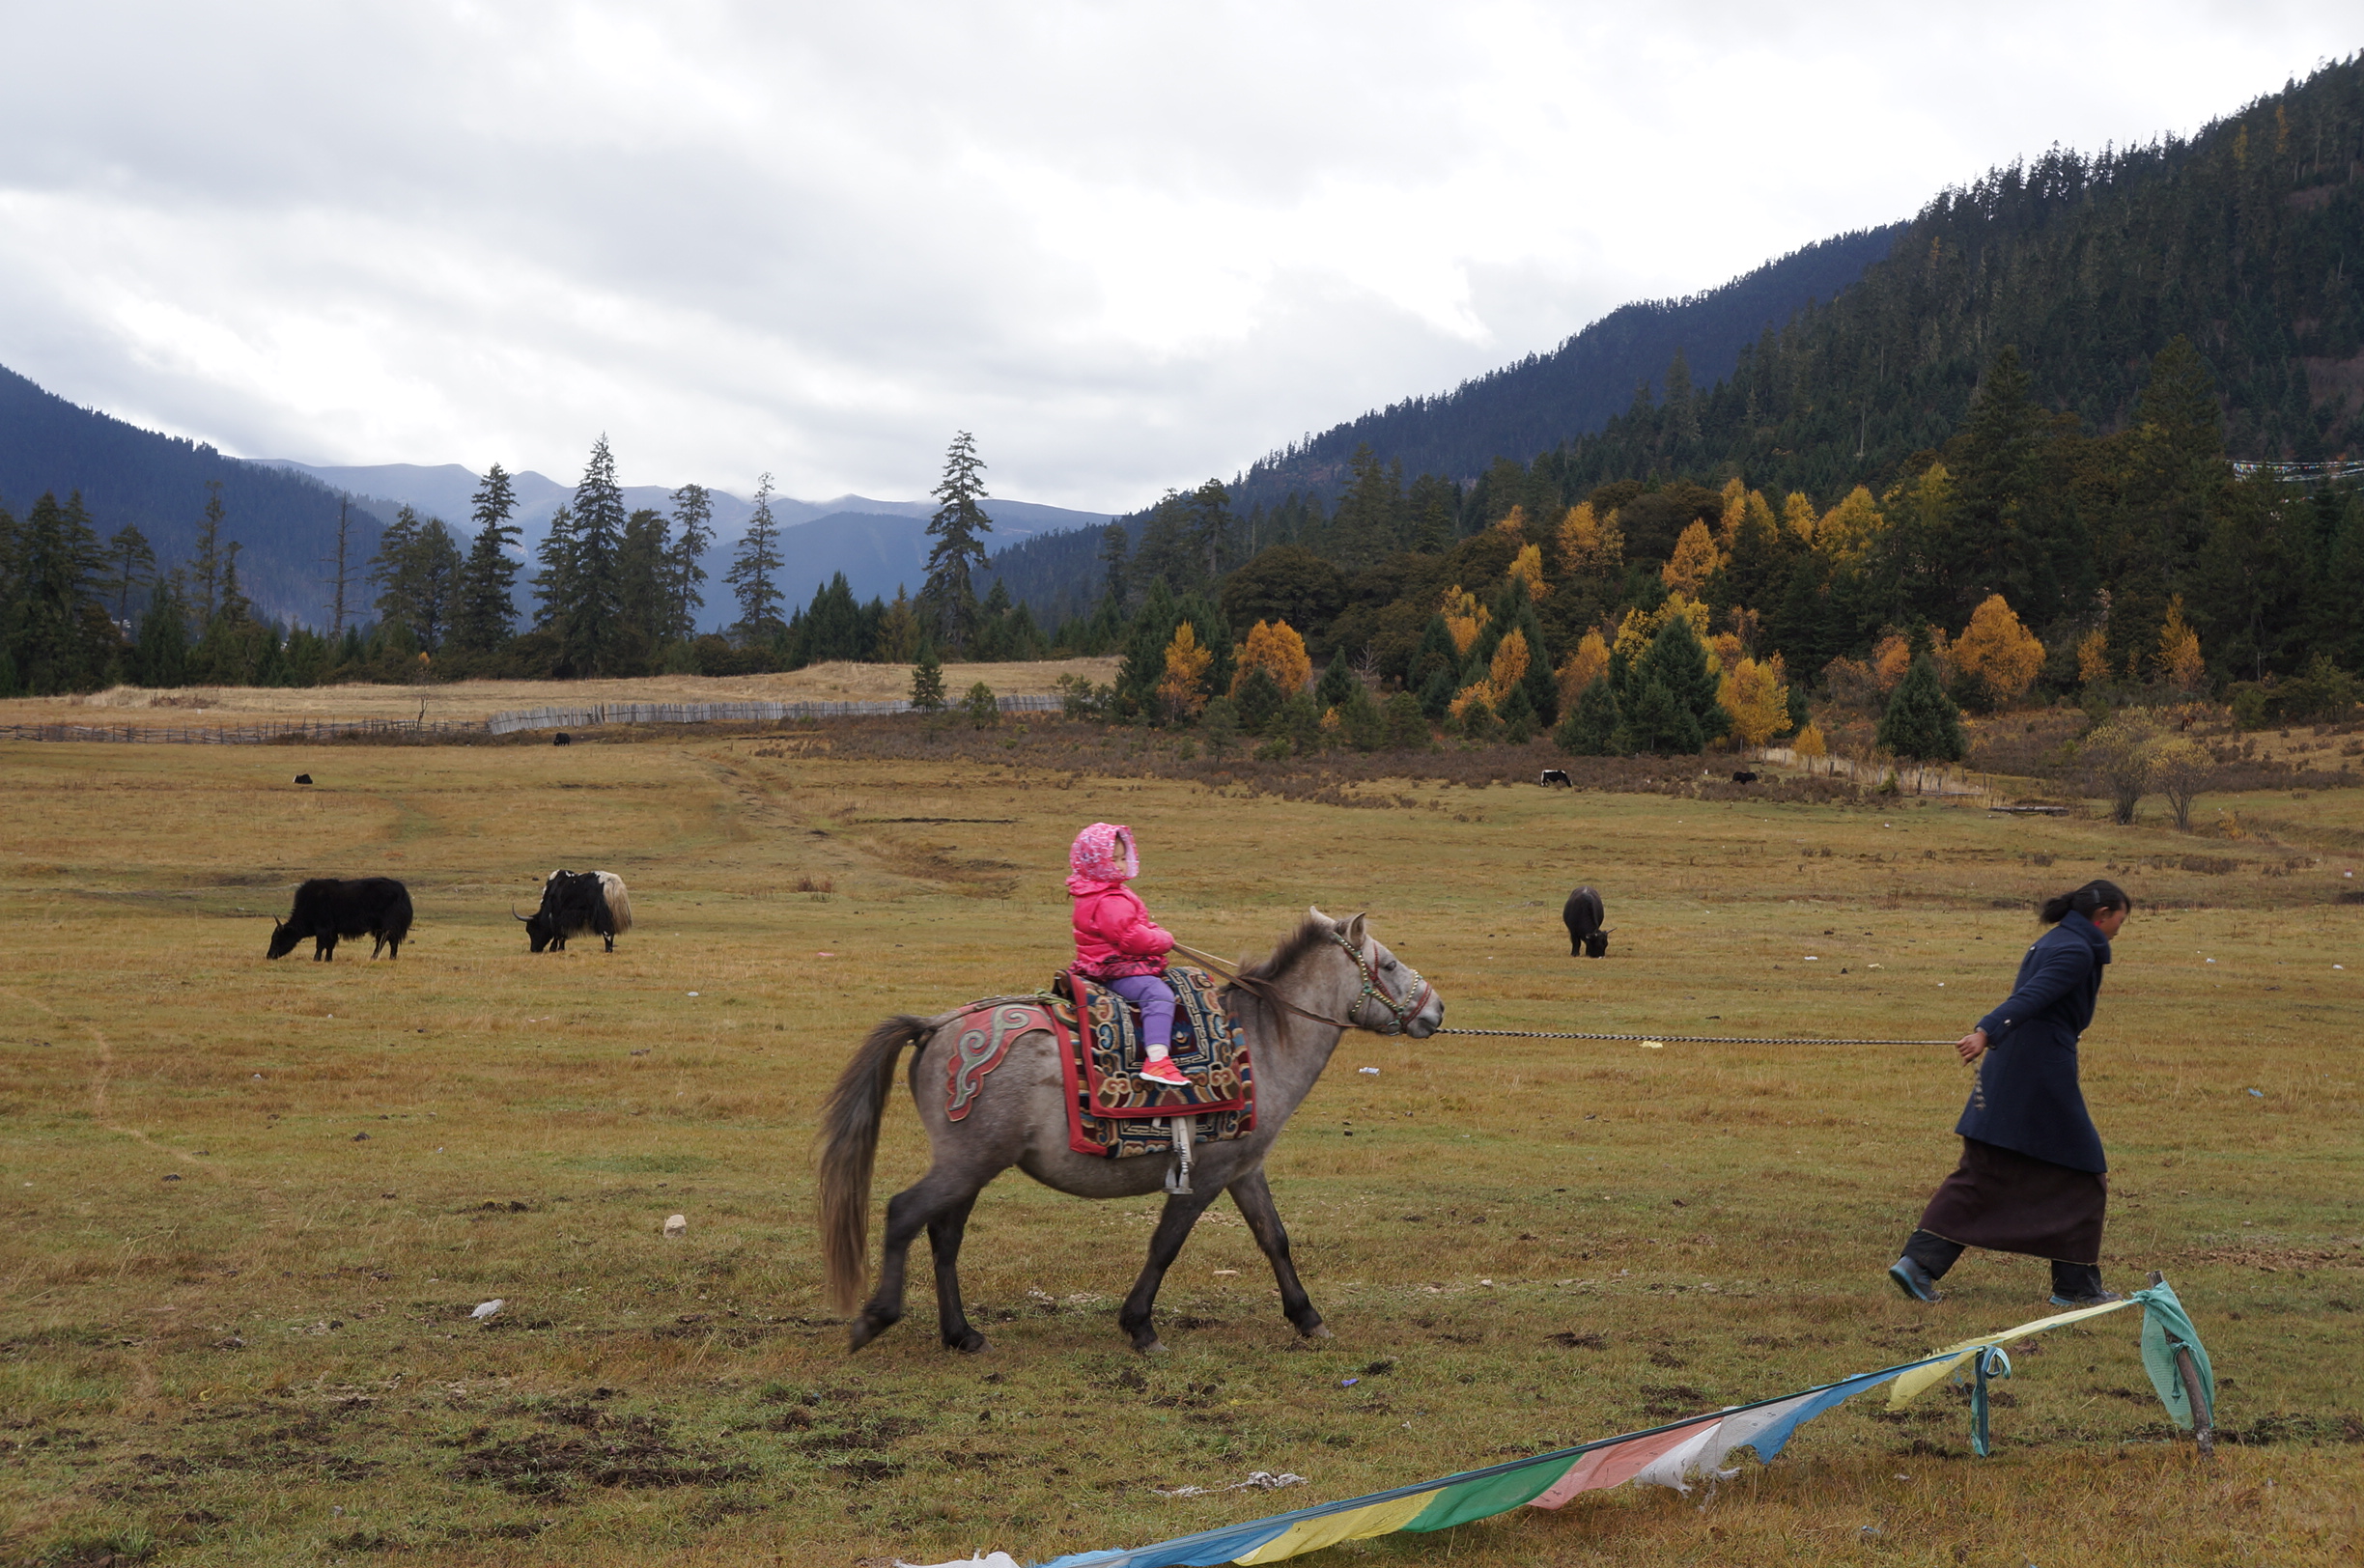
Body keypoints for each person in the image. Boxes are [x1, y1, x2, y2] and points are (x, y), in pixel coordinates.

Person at [1890, 879, 2132, 1307]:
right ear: (2103, 916)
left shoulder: (2055, 939)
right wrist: (1986, 1029)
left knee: (1986, 1169)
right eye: (2120, 920)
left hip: (2015, 1067)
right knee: (2083, 1172)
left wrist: (1992, 1034)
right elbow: (2032, 997)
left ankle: (1919, 1264)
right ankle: (2075, 1288)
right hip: (2040, 1072)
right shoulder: (2076, 950)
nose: (2119, 929)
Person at [1067, 822, 1192, 1086]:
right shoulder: (1108, 899)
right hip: (1115, 967)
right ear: (1096, 863)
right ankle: (1157, 1060)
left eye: (1123, 858)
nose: (1121, 865)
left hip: (1112, 961)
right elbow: (1130, 938)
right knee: (1158, 995)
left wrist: (1153, 930)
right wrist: (1163, 939)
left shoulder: (1104, 891)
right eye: (1113, 859)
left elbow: (1134, 925)